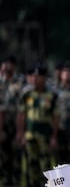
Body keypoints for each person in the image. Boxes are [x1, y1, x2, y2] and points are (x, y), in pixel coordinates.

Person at [16, 63, 60, 187]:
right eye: (33, 76)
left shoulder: (52, 95)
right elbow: (21, 114)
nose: (35, 79)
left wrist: (54, 137)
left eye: (38, 76)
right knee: (31, 164)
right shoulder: (27, 94)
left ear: (44, 78)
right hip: (30, 135)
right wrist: (20, 133)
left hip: (45, 136)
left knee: (46, 167)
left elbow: (56, 116)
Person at [0, 56, 24, 186]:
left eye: (10, 64)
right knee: (3, 158)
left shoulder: (20, 82)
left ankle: (16, 182)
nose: (8, 66)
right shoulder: (0, 82)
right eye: (5, 63)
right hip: (2, 125)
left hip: (16, 124)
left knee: (16, 158)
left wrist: (21, 131)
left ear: (14, 66)